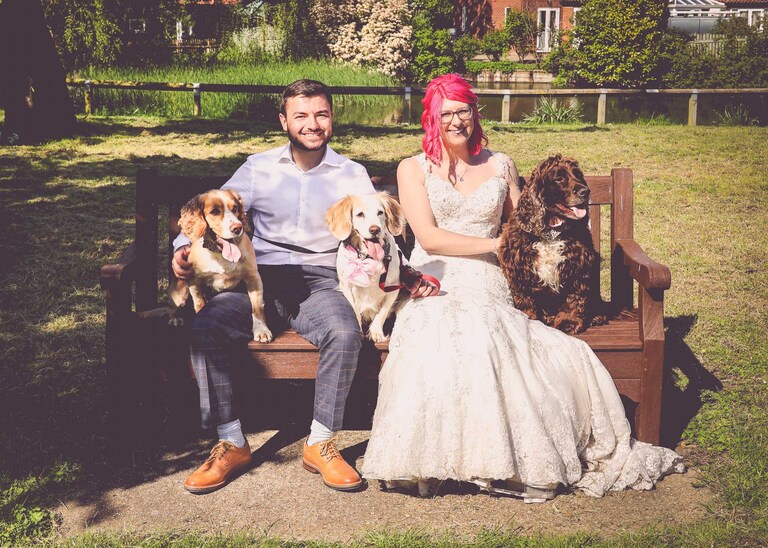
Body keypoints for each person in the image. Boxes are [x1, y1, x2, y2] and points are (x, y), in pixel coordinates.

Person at [361, 73, 684, 501]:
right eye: (446, 114)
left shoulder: (501, 164)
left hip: (490, 275)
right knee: (437, 332)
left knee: (492, 333)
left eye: (464, 111)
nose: (456, 121)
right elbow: (430, 237)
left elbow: (524, 222)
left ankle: (504, 452)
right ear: (432, 120)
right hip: (434, 274)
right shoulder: (412, 168)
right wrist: (496, 243)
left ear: (475, 113)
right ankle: (445, 455)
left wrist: (560, 219)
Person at [172, 79, 434, 494]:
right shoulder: (258, 168)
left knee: (344, 333)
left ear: (332, 118)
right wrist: (182, 249)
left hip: (321, 279)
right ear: (284, 121)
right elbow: (215, 210)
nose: (312, 124)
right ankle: (231, 442)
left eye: (321, 114)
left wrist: (408, 271)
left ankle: (320, 442)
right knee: (206, 328)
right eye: (301, 116)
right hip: (257, 279)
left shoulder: (351, 173)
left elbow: (377, 229)